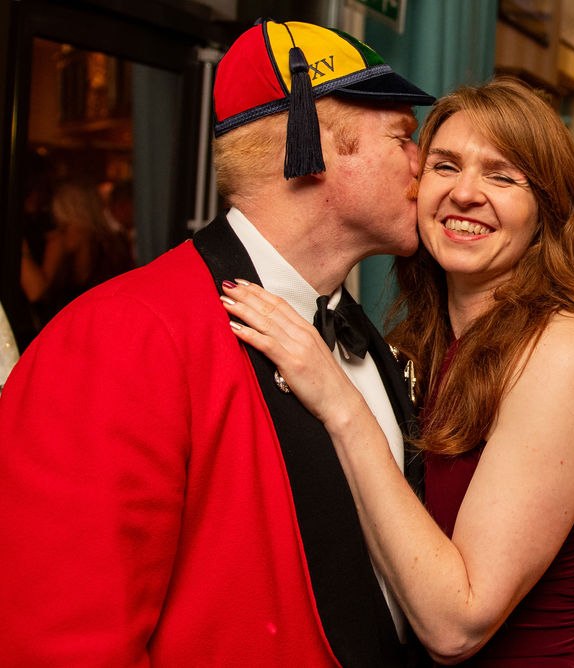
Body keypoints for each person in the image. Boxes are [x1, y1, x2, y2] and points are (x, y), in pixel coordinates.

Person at [0, 20, 435, 666]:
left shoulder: (361, 338)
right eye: (403, 138)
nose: (423, 165)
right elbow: (61, 641)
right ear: (317, 145)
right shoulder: (121, 336)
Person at [221, 76, 574, 666]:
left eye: (502, 176)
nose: (465, 193)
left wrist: (341, 405)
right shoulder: (422, 343)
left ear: (548, 209)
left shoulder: (566, 351)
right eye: (445, 166)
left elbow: (456, 626)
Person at [20, 179, 135, 324]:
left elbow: (37, 292)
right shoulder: (109, 240)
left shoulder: (69, 237)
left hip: (76, 320)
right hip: (101, 317)